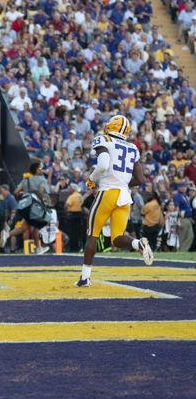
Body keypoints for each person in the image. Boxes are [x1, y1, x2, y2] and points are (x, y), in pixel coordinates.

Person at [75, 115, 154, 287]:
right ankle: (137, 243)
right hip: (124, 196)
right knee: (117, 238)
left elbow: (103, 164)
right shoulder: (133, 147)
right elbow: (140, 179)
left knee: (93, 234)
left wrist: (91, 178)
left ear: (113, 125)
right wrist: (122, 183)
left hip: (107, 192)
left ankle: (85, 277)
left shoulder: (104, 139)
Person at [65, 183, 84, 252]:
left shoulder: (71, 197)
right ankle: (79, 247)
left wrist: (66, 212)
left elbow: (67, 205)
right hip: (80, 215)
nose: (69, 190)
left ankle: (73, 248)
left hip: (72, 215)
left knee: (72, 232)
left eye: (70, 188)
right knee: (79, 232)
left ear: (73, 189)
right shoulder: (80, 196)